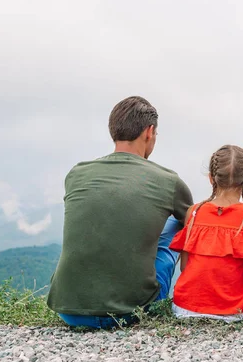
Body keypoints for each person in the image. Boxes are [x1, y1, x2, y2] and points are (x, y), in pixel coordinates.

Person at [47, 96, 193, 328]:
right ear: (149, 131)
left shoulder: (77, 173)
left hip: (68, 310)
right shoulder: (168, 181)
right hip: (131, 311)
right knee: (179, 225)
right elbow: (196, 225)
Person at [169, 145, 243, 322]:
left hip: (186, 308)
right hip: (234, 310)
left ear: (211, 178)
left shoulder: (194, 212)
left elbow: (184, 268)